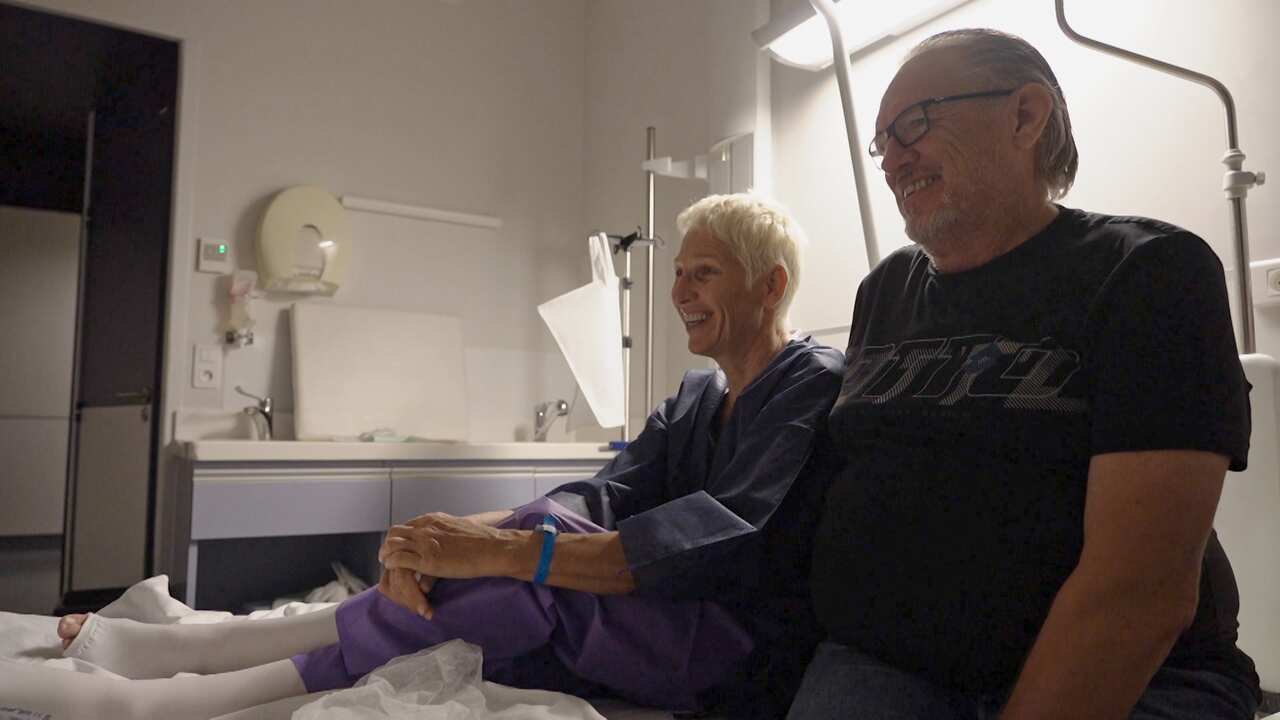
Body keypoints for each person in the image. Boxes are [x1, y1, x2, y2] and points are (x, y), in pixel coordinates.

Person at [12, 193, 844, 720]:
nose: (678, 293)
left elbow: (718, 537)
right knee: (529, 540)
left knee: (528, 576)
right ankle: (186, 668)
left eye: (703, 273)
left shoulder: (812, 386)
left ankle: (183, 681)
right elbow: (603, 493)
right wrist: (439, 537)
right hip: (657, 617)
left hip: (730, 647)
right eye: (678, 273)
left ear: (770, 287)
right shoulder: (699, 397)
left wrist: (505, 549)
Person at [788, 28, 1260, 720]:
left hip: (1136, 679)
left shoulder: (1147, 273)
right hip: (885, 666)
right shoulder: (883, 291)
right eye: (881, 140)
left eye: (913, 124)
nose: (891, 157)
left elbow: (1142, 590)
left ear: (1025, 116)